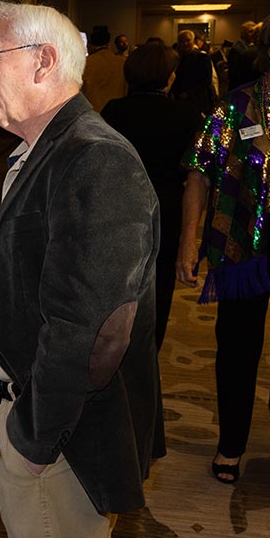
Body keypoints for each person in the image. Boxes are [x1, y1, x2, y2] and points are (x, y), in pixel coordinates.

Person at [0, 1, 161, 538]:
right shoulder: (44, 150)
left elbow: (96, 329)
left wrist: (35, 438)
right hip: (54, 424)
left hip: (63, 435)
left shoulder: (94, 158)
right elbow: (54, 275)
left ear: (42, 61)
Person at [178, 1, 270, 484]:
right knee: (238, 347)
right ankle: (231, 441)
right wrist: (188, 243)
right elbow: (199, 174)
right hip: (241, 248)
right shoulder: (235, 107)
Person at [101, 42, 203, 351]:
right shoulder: (186, 114)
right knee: (159, 289)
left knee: (118, 286)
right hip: (166, 206)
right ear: (169, 77)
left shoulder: (113, 111)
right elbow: (195, 174)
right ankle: (148, 356)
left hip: (120, 204)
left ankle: (117, 354)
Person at [172, 29, 216, 116]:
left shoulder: (202, 57)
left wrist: (189, 93)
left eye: (188, 41)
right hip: (179, 100)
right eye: (182, 41)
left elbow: (206, 81)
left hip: (197, 101)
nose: (185, 44)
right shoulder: (176, 57)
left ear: (193, 41)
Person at [81, 27, 127, 111]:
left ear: (90, 45)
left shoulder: (86, 63)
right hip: (117, 111)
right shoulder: (123, 63)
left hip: (93, 112)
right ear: (109, 43)